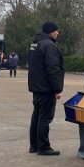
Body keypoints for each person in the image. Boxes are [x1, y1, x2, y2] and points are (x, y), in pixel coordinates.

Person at [28, 22, 65, 156]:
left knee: (36, 115)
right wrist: (57, 88)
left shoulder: (35, 44)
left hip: (36, 86)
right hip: (46, 87)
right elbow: (52, 69)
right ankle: (43, 147)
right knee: (44, 117)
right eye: (56, 31)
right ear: (50, 32)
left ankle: (34, 145)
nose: (57, 33)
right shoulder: (49, 45)